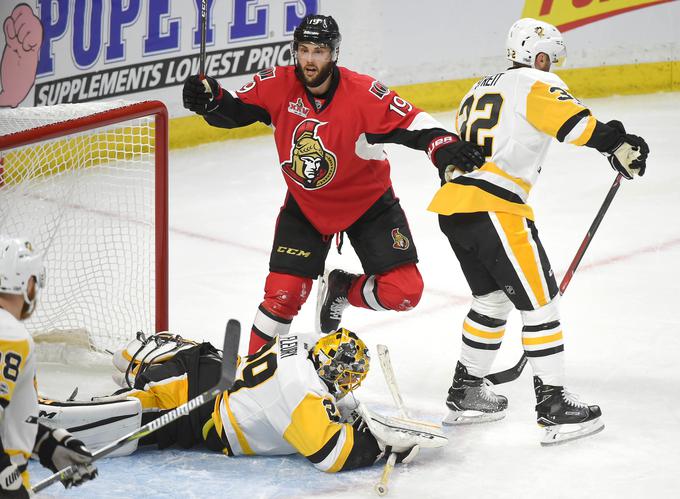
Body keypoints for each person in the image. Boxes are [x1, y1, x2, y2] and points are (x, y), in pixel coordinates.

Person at [182, 15, 485, 353]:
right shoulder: (278, 84)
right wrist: (211, 101)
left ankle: (342, 289)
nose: (310, 60)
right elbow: (235, 110)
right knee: (281, 298)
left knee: (403, 293)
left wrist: (444, 147)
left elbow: (413, 121)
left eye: (319, 52)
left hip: (368, 206)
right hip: (306, 206)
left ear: (334, 54)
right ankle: (249, 377)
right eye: (304, 50)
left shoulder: (363, 93)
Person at [427, 18, 649, 444]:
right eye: (549, 57)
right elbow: (576, 126)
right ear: (534, 53)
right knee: (541, 304)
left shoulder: (477, 89)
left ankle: (466, 390)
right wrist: (617, 143)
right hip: (496, 209)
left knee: (491, 302)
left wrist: (611, 141)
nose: (552, 66)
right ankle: (553, 406)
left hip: (455, 208)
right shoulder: (531, 81)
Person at [40, 328, 434, 472]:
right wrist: (379, 445)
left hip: (201, 362)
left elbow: (325, 392)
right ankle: (35, 416)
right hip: (194, 407)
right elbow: (331, 455)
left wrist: (349, 411)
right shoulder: (303, 395)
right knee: (121, 425)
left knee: (140, 364)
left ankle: (137, 360)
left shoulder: (304, 345)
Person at [0, 235, 98, 496]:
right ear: (27, 282)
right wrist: (6, 480)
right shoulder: (9, 334)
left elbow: (8, 418)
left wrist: (47, 444)